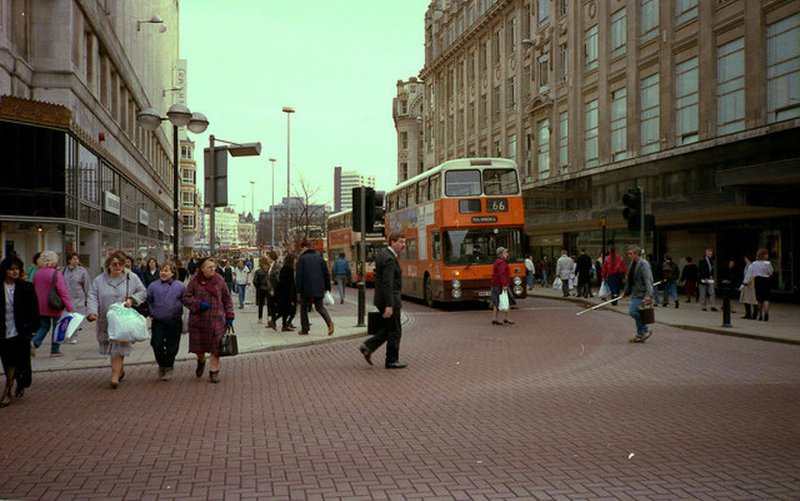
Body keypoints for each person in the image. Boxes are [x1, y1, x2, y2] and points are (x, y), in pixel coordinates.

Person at [86, 251, 147, 388]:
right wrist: (92, 312)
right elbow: (92, 296)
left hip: (123, 320)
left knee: (118, 347)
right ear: (108, 265)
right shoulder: (99, 280)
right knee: (113, 346)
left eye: (121, 264)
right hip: (105, 319)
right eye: (114, 264)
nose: (118, 266)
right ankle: (120, 369)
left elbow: (142, 292)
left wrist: (132, 300)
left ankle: (114, 376)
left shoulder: (131, 277)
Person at [359, 232, 407, 369]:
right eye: (400, 242)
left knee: (388, 328)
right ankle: (391, 360)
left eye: (404, 242)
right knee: (395, 331)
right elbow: (388, 283)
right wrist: (389, 305)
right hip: (390, 299)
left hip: (383, 299)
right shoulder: (389, 259)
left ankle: (368, 347)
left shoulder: (383, 255)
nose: (403, 245)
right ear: (392, 242)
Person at [183, 257, 234, 383]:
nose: (213, 269)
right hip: (198, 321)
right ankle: (201, 361)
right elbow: (186, 298)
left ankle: (214, 371)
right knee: (199, 349)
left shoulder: (219, 280)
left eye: (214, 267)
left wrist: (230, 315)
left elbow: (227, 299)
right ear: (202, 269)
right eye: (209, 267)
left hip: (216, 319)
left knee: (216, 347)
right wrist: (198, 304)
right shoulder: (194, 281)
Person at [0, 256, 39, 407]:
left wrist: (32, 329)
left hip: (20, 330)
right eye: (11, 269)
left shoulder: (26, 287)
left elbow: (33, 310)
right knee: (7, 360)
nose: (15, 272)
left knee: (21, 361)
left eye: (17, 269)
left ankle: (19, 383)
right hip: (3, 330)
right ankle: (8, 389)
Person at [147, 261, 186, 380]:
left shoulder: (180, 286)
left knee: (172, 346)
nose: (163, 273)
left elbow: (187, 300)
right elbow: (148, 300)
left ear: (173, 273)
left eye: (166, 270)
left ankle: (169, 366)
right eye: (162, 270)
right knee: (156, 343)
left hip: (174, 320)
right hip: (158, 320)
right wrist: (150, 312)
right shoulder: (153, 286)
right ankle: (162, 364)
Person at [31, 250, 74, 358]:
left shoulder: (37, 273)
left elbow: (33, 288)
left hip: (40, 305)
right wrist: (69, 306)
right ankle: (55, 350)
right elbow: (62, 291)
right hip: (54, 305)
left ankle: (34, 342)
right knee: (58, 327)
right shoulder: (55, 273)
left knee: (44, 326)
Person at [295, 241, 334, 336]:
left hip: (306, 288)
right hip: (319, 287)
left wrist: (298, 290)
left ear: (304, 248)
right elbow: (326, 274)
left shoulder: (302, 259)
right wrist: (327, 287)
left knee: (303, 308)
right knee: (319, 307)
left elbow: (299, 276)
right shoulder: (320, 258)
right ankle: (329, 323)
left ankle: (305, 329)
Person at [620, 245, 654, 343]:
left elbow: (648, 280)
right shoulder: (632, 264)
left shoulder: (644, 264)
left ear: (637, 254)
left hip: (642, 293)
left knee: (633, 312)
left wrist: (648, 295)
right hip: (635, 292)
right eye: (628, 254)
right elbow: (629, 280)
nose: (629, 255)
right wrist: (625, 292)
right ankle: (640, 334)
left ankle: (645, 330)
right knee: (636, 312)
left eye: (631, 254)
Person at [63, 252, 91, 344]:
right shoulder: (62, 270)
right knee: (67, 317)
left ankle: (73, 335)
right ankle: (67, 334)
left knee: (76, 318)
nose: (76, 261)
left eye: (77, 259)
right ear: (69, 260)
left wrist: (88, 298)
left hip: (79, 298)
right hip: (66, 297)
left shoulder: (82, 271)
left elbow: (87, 285)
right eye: (73, 259)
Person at [744, 248, 774, 322]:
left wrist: (745, 282)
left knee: (759, 299)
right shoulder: (768, 263)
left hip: (758, 280)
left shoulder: (754, 264)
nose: (767, 256)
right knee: (766, 298)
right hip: (766, 280)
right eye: (766, 254)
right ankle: (766, 314)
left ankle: (760, 314)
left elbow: (750, 273)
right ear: (764, 255)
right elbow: (771, 272)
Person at [490, 247, 513, 326]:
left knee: (498, 301)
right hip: (500, 285)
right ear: (501, 254)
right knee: (505, 301)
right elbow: (502, 274)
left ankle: (496, 318)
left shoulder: (497, 261)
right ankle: (504, 318)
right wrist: (505, 284)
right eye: (505, 253)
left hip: (496, 284)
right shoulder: (502, 263)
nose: (507, 254)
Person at [276, 254, 297, 331]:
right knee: (287, 310)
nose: (296, 261)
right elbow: (290, 284)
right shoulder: (289, 269)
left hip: (283, 292)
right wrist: (292, 297)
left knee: (285, 310)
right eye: (294, 259)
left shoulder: (284, 268)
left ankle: (284, 324)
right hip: (288, 293)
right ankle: (283, 324)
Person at [252, 256, 271, 323]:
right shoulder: (270, 270)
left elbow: (254, 281)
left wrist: (258, 287)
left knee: (260, 304)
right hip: (268, 288)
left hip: (261, 289)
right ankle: (269, 317)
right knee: (269, 303)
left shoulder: (258, 271)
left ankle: (260, 318)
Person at [739, 255, 759, 320]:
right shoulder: (749, 266)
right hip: (750, 284)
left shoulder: (751, 266)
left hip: (749, 285)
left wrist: (744, 284)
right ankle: (750, 314)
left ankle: (751, 314)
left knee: (750, 300)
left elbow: (748, 276)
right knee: (749, 300)